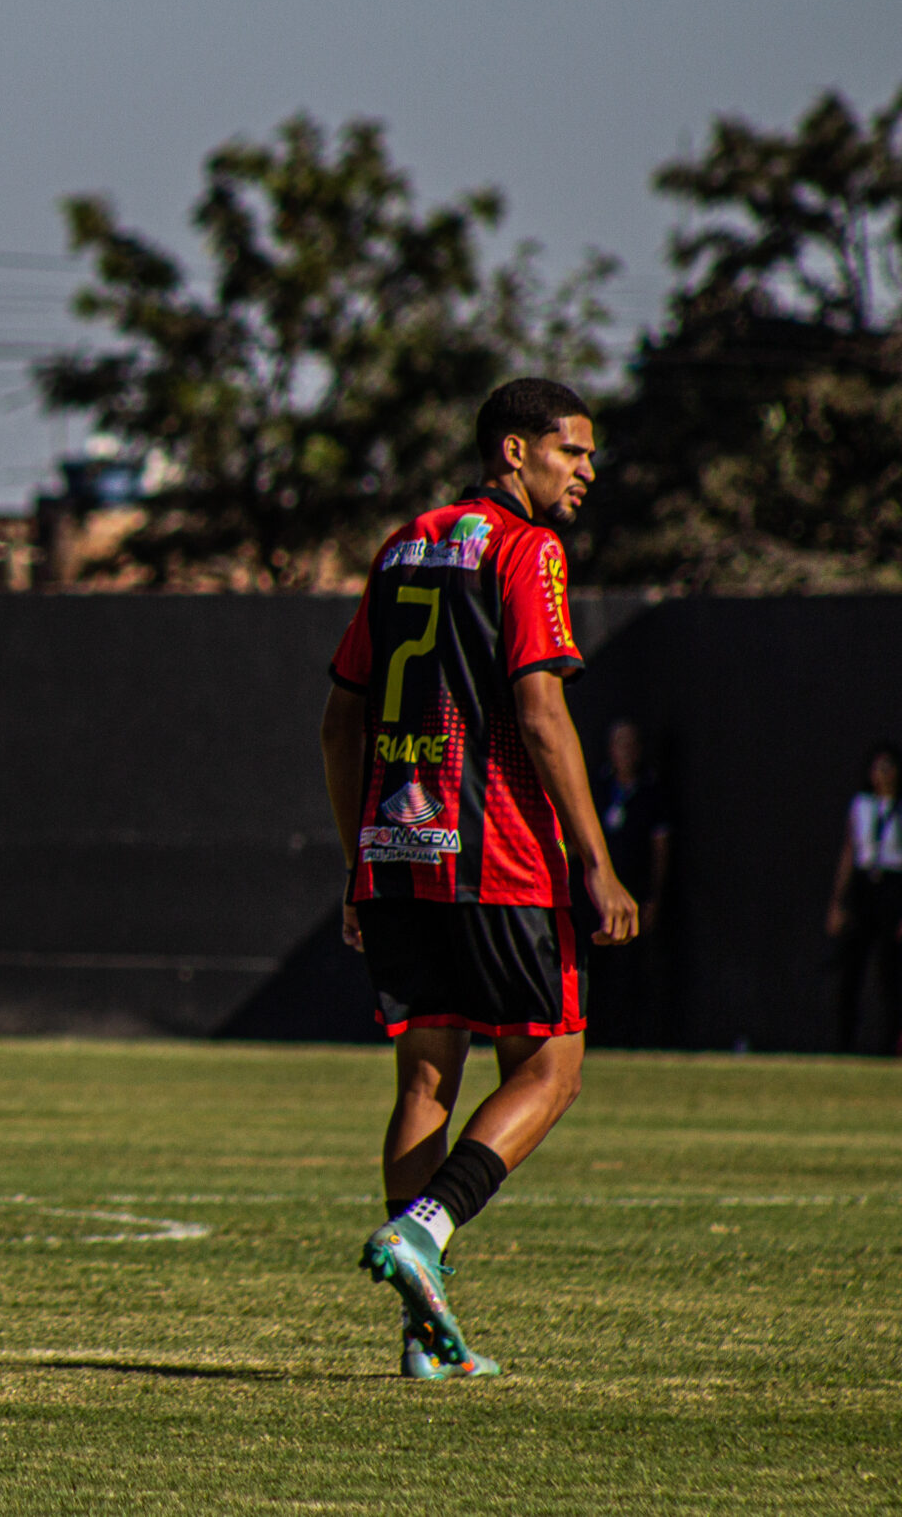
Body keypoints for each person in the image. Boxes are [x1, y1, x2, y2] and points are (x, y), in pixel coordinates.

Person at [318, 377, 637, 1380]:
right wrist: (596, 861)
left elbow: (340, 721)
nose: (587, 472)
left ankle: (423, 1336)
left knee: (424, 1079)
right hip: (497, 851)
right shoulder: (525, 549)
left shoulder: (403, 541)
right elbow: (539, 712)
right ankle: (425, 1229)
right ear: (512, 453)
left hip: (397, 852)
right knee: (553, 1067)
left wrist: (355, 858)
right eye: (571, 451)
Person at [585, 720, 671, 1046]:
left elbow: (661, 848)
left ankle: (631, 1039)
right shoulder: (598, 787)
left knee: (631, 971)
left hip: (632, 892)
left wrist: (653, 896)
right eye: (620, 745)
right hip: (593, 895)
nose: (625, 753)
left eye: (631, 745)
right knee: (594, 968)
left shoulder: (651, 792)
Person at [825, 741, 902, 1056]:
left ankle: (889, 1043)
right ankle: (845, 1042)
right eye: (877, 768)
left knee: (890, 972)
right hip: (863, 885)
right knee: (851, 968)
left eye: (888, 768)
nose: (882, 775)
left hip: (893, 886)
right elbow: (848, 853)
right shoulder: (861, 806)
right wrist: (837, 902)